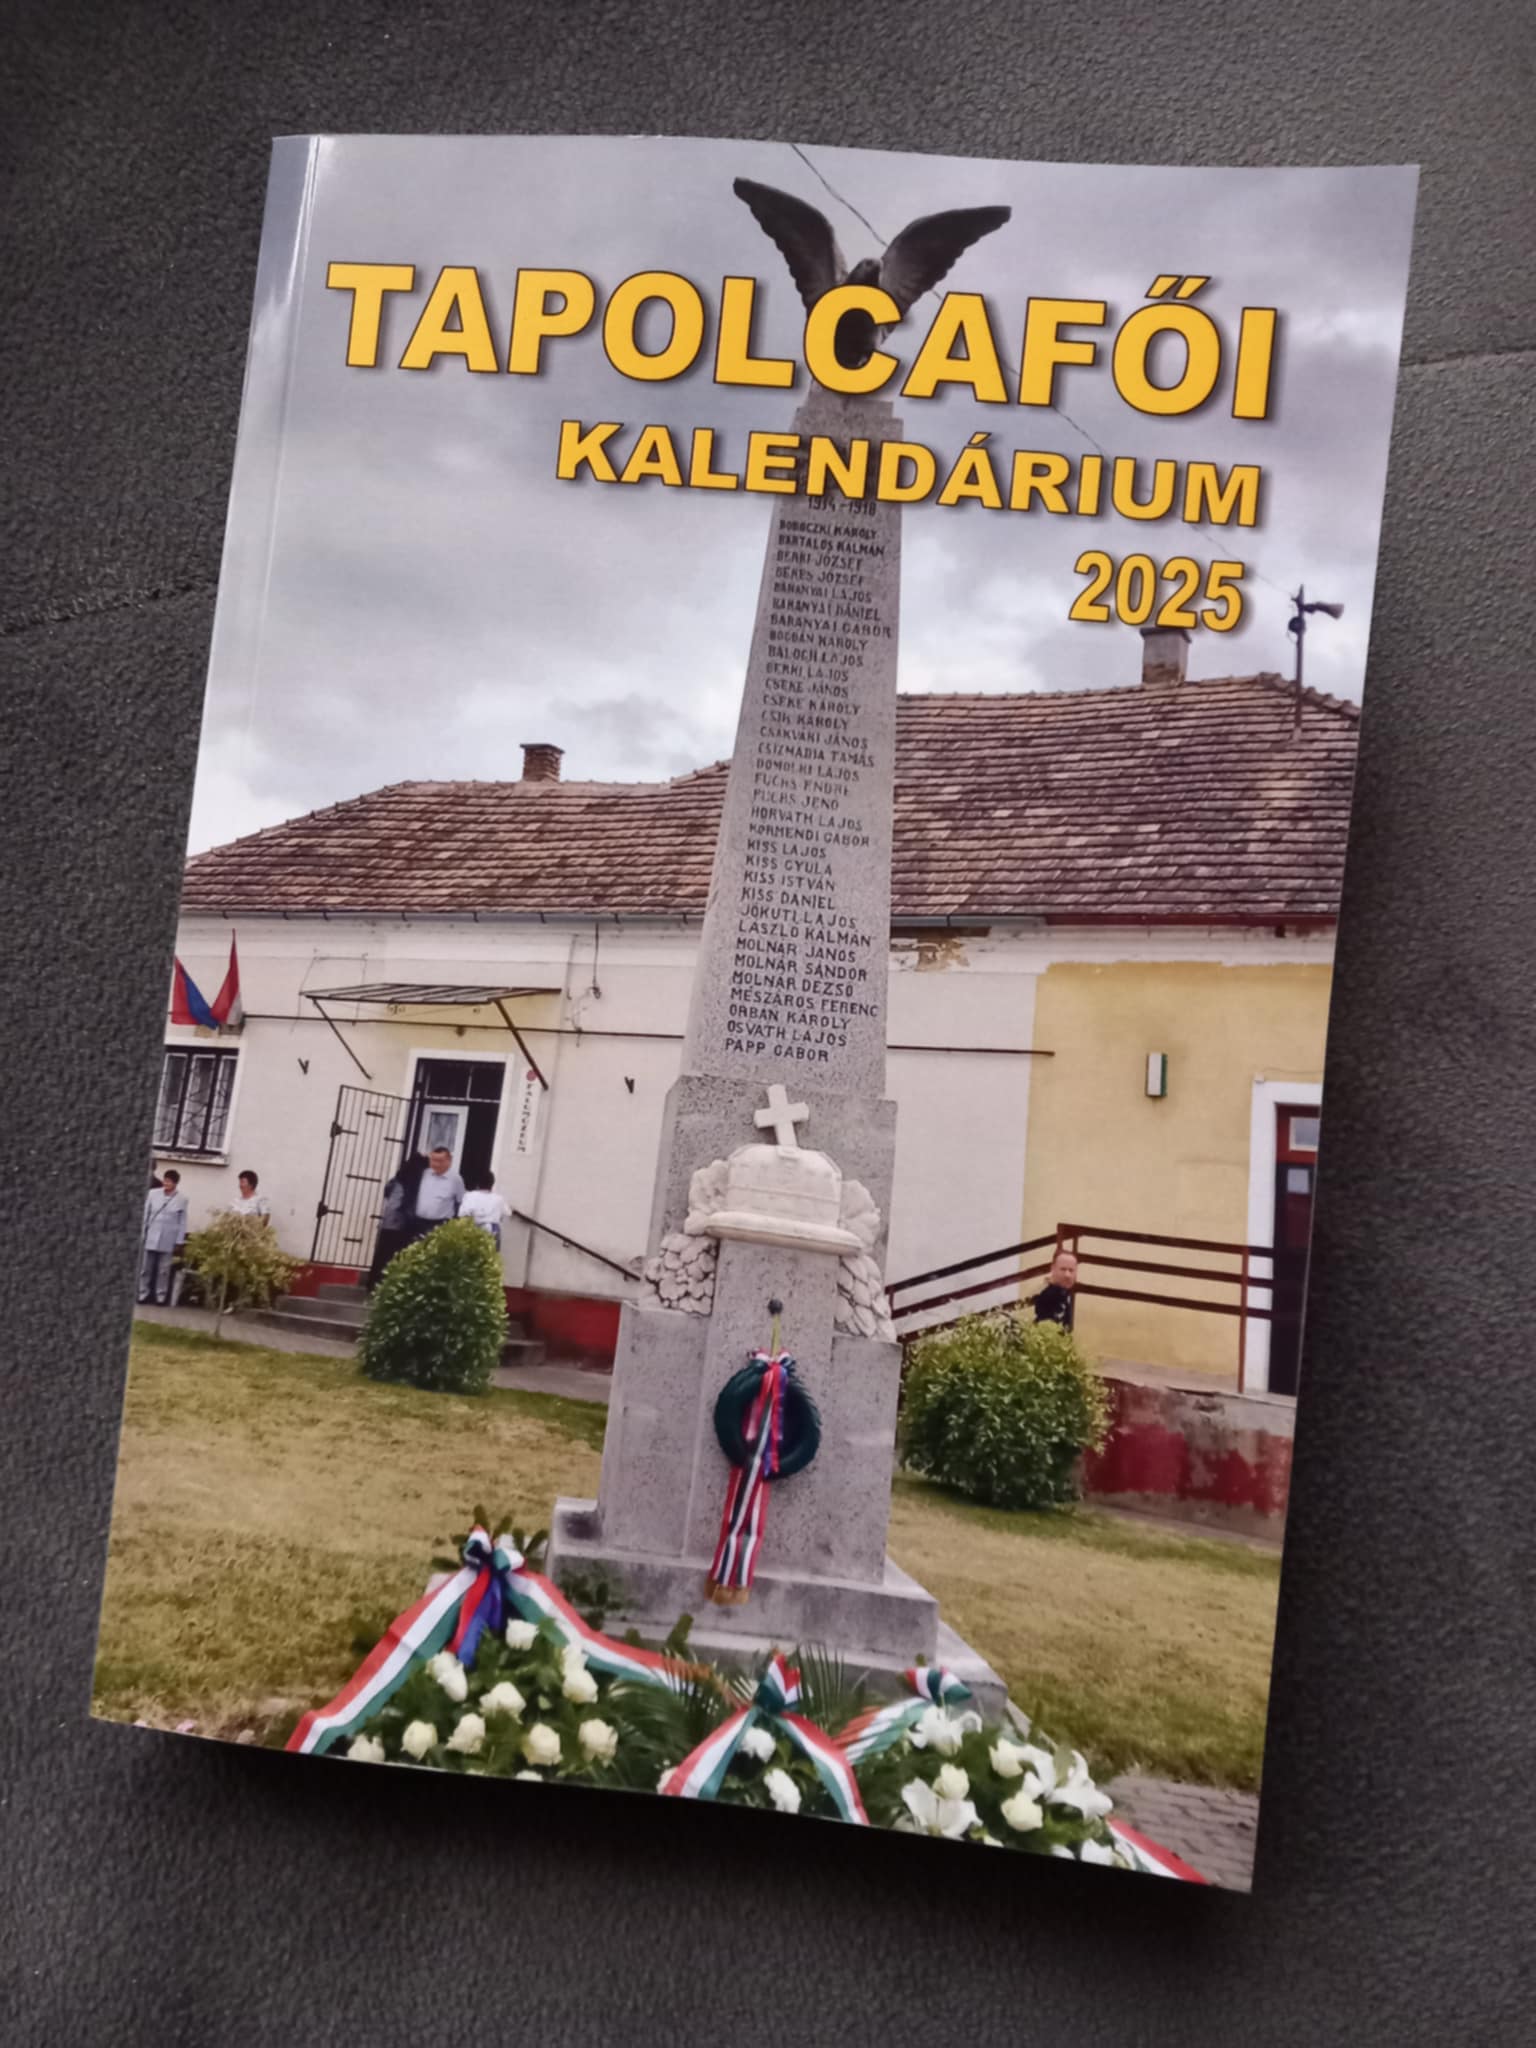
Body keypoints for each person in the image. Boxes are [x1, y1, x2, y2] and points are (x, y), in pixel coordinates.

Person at [366, 1151, 427, 1290]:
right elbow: (406, 1204)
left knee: (382, 1255)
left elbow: (387, 1193)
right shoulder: (412, 1182)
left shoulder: (398, 1179)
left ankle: (374, 1283)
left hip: (388, 1222)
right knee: (396, 1256)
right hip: (400, 1223)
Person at [139, 1169, 189, 1305]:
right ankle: (143, 1294)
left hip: (168, 1238)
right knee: (145, 1268)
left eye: (170, 1182)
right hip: (151, 1235)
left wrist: (179, 1241)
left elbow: (182, 1221)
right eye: (165, 1180)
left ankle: (161, 1296)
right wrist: (143, 1233)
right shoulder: (153, 1194)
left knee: (164, 1270)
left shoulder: (182, 1199)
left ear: (175, 1183)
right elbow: (146, 1214)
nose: (166, 1183)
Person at [410, 1145, 465, 1239]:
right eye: (433, 1160)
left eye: (440, 1161)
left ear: (449, 1161)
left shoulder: (456, 1179)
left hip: (440, 1224)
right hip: (418, 1223)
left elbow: (460, 1202)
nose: (436, 1164)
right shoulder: (424, 1174)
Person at [1030, 1246, 1078, 1329]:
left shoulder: (1063, 1292)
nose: (1067, 1275)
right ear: (1053, 1268)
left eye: (1071, 1270)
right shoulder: (1044, 1294)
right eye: (1063, 1269)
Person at [460, 1171, 510, 1250]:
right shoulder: (499, 1199)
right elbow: (507, 1213)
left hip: (473, 1230)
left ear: (477, 1184)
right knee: (491, 1255)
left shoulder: (470, 1196)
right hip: (492, 1232)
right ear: (492, 1184)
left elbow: (462, 1214)